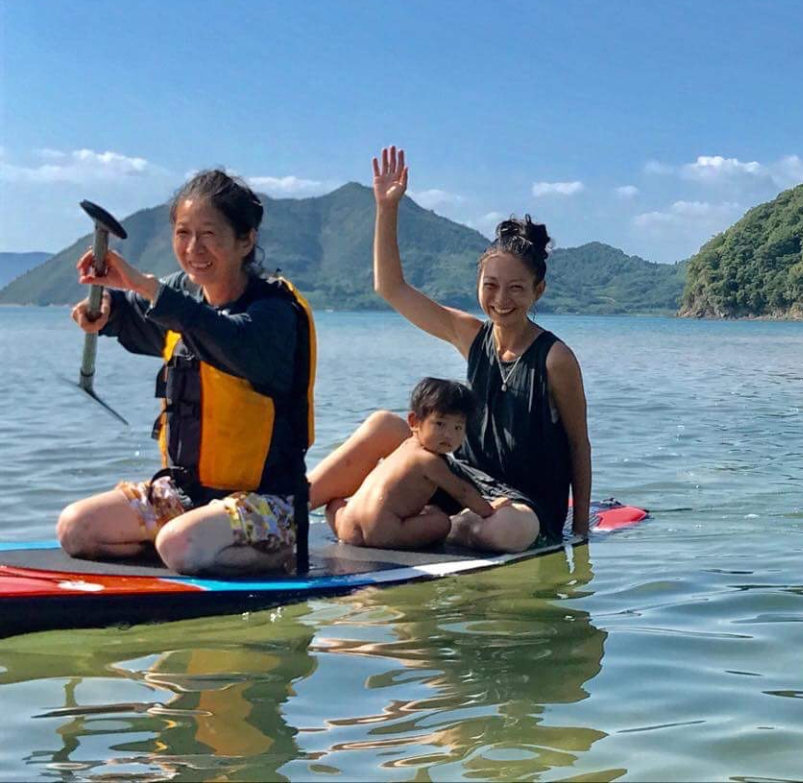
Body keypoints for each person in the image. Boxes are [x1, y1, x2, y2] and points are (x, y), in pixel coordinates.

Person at [308, 146, 592, 552]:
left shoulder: (554, 358)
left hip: (523, 506)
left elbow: (578, 445)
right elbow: (391, 288)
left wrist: (580, 532)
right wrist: (387, 208)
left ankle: (420, 525)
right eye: (491, 286)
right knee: (384, 425)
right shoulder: (471, 335)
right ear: (478, 284)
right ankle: (289, 510)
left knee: (505, 531)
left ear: (538, 291)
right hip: (462, 481)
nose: (501, 299)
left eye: (516, 288)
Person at [57, 170, 317, 575]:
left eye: (208, 234)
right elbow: (140, 317)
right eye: (183, 233)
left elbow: (228, 340)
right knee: (76, 528)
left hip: (269, 503)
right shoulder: (184, 295)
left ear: (245, 241)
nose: (193, 248)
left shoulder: (274, 312)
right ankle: (187, 549)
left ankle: (265, 553)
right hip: (184, 496)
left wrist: (147, 287)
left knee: (178, 543)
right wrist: (108, 309)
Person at [325, 377, 496, 548]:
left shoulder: (403, 447)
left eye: (458, 427)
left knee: (335, 505)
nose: (448, 435)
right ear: (414, 422)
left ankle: (342, 525)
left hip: (348, 527)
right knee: (442, 521)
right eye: (440, 424)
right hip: (384, 533)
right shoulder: (428, 460)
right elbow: (462, 492)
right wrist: (489, 509)